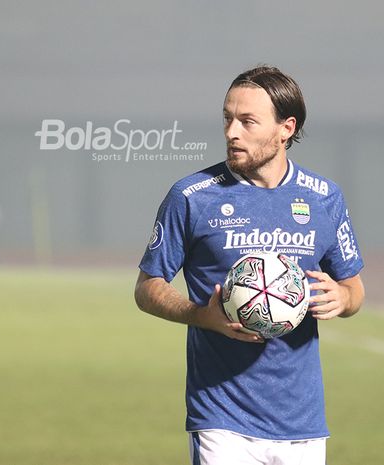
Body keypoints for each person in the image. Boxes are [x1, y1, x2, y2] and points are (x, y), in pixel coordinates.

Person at [134, 65, 365, 465]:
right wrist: (201, 316)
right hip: (222, 418)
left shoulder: (324, 197)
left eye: (247, 121)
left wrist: (343, 298)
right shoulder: (191, 197)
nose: (231, 132)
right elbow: (147, 286)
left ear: (285, 128)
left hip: (302, 424)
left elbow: (355, 288)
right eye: (227, 118)